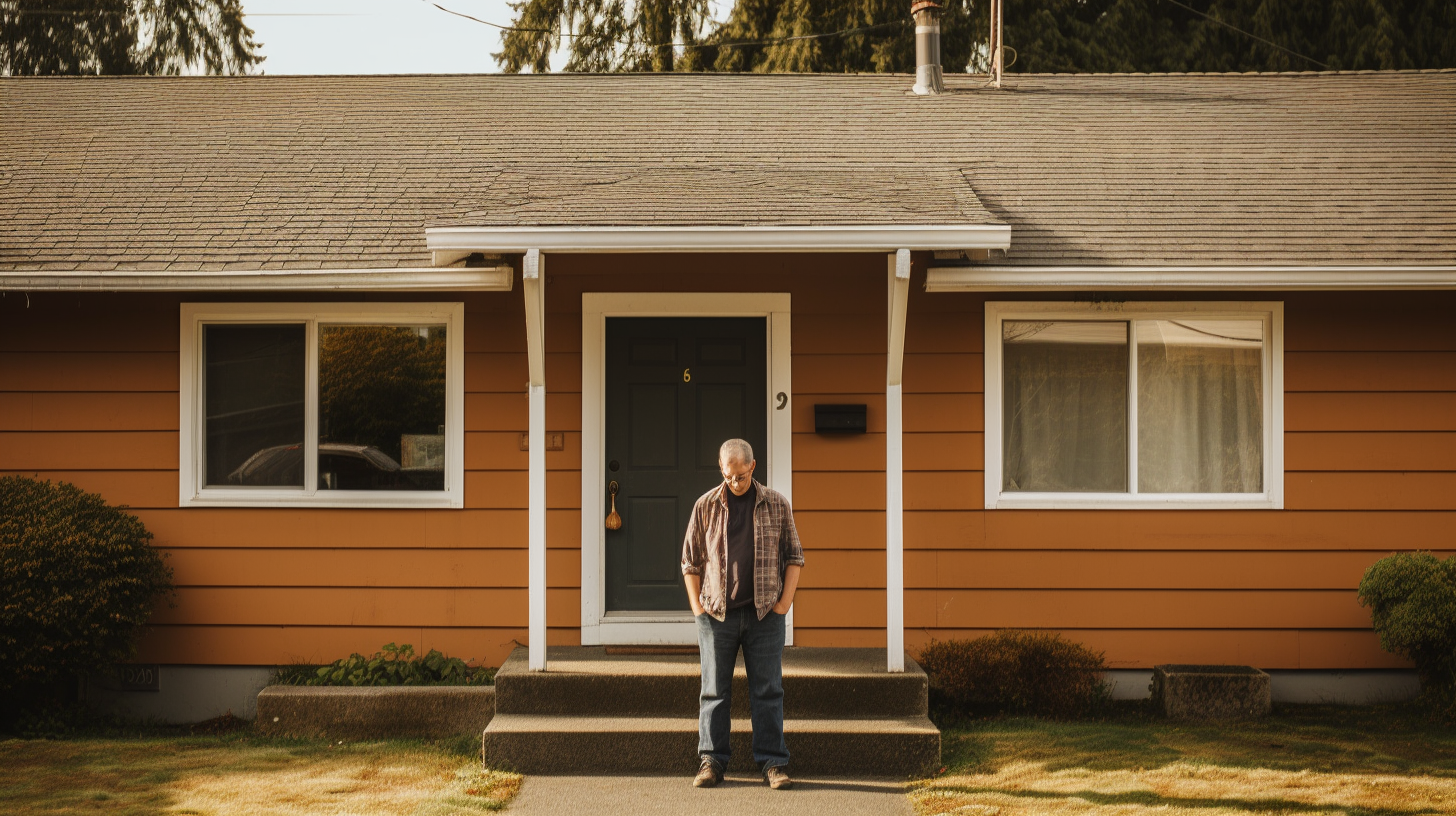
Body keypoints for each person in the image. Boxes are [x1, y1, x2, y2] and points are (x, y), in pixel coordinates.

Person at [681, 438, 805, 791]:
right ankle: (712, 761)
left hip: (764, 614)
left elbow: (795, 556)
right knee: (714, 691)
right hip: (717, 615)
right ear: (721, 468)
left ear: (753, 467)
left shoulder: (777, 505)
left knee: (767, 690)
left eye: (741, 475)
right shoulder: (705, 505)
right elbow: (689, 561)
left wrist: (783, 604)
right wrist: (697, 608)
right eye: (729, 475)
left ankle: (773, 763)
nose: (735, 482)